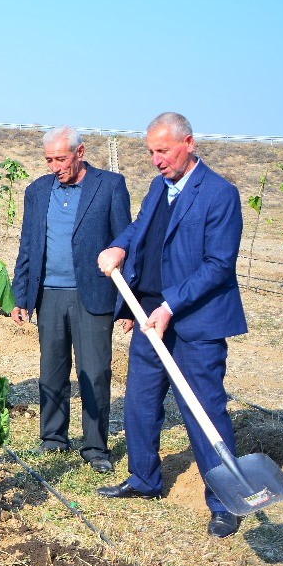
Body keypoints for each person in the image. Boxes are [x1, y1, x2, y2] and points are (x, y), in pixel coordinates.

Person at [96, 113, 248, 538]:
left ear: (189, 143)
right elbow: (141, 229)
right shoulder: (158, 188)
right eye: (150, 152)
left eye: (163, 151)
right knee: (141, 401)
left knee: (204, 411)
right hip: (150, 314)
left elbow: (219, 265)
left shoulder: (220, 194)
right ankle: (144, 479)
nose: (155, 160)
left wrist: (171, 307)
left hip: (196, 321)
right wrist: (119, 247)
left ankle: (224, 502)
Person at [11, 126, 131, 474]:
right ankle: (53, 438)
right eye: (48, 159)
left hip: (93, 294)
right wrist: (22, 295)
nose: (54, 166)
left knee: (94, 371)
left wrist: (127, 302)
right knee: (52, 370)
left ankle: (94, 446)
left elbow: (126, 242)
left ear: (80, 153)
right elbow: (28, 245)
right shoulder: (36, 191)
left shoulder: (109, 186)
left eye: (60, 159)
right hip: (48, 294)